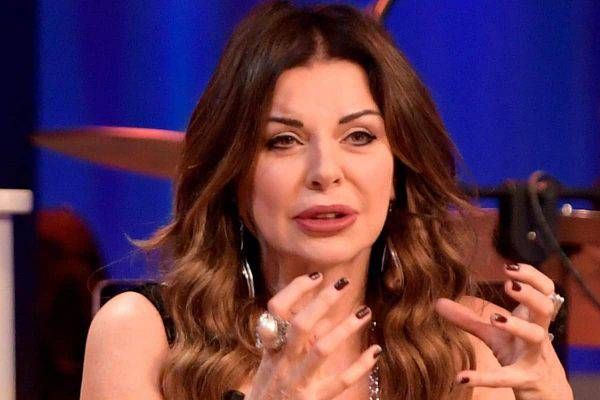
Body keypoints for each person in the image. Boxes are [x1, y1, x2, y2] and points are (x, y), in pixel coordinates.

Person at [80, 1, 573, 399]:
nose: (324, 172)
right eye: (283, 141)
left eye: (359, 136)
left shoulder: (468, 346)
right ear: (234, 175)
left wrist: (550, 396)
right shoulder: (140, 336)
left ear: (399, 170)